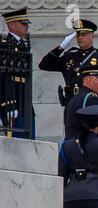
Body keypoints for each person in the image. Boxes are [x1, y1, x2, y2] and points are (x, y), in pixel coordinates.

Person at [38, 19, 98, 113]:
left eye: (84, 35)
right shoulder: (69, 56)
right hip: (71, 106)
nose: (80, 38)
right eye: (78, 35)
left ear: (92, 36)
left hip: (93, 106)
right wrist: (61, 47)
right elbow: (44, 65)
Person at [0, 7, 35, 138]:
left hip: (25, 105)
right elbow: (4, 77)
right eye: (23, 24)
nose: (26, 27)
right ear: (12, 25)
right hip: (13, 104)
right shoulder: (5, 46)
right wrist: (9, 104)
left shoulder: (23, 45)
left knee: (30, 144)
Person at [64, 64, 98, 140]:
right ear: (89, 80)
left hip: (73, 145)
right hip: (84, 146)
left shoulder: (79, 96)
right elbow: (97, 130)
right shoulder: (91, 99)